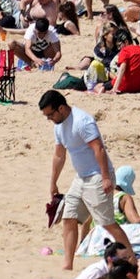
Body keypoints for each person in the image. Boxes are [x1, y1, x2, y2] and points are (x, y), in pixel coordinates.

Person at [40, 88, 117, 233]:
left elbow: (98, 149)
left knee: (107, 225)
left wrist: (106, 177)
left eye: (50, 115)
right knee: (69, 218)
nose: (49, 119)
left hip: (97, 176)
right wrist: (53, 183)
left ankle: (131, 256)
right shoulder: (58, 126)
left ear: (61, 108)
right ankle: (68, 257)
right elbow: (59, 156)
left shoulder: (82, 121)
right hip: (80, 178)